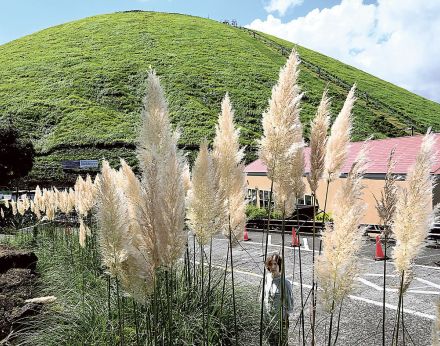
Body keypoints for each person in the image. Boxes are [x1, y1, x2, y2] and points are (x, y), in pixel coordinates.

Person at [262, 253, 293, 346]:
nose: (273, 267)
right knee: (271, 343)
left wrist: (284, 321)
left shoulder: (285, 283)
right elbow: (263, 297)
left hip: (280, 322)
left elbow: (290, 305)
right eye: (271, 264)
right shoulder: (266, 278)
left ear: (280, 265)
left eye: (275, 264)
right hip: (268, 320)